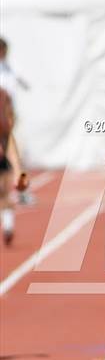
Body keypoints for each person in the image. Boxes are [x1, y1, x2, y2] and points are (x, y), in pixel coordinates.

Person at [0, 87, 28, 245]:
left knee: (3, 192)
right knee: (4, 193)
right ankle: (8, 225)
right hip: (4, 145)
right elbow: (12, 118)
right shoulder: (5, 94)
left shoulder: (5, 95)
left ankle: (8, 225)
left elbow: (11, 117)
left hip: (3, 146)